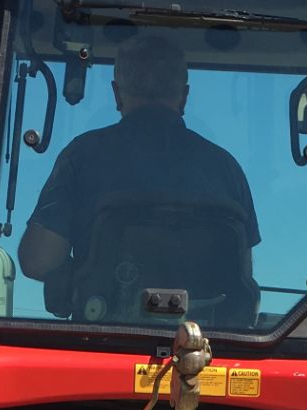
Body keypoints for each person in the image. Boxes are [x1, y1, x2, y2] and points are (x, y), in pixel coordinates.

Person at [17, 34, 260, 319]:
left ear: (117, 93)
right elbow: (242, 275)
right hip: (207, 347)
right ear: (184, 96)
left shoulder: (81, 157)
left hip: (101, 346)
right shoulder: (227, 169)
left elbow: (37, 261)